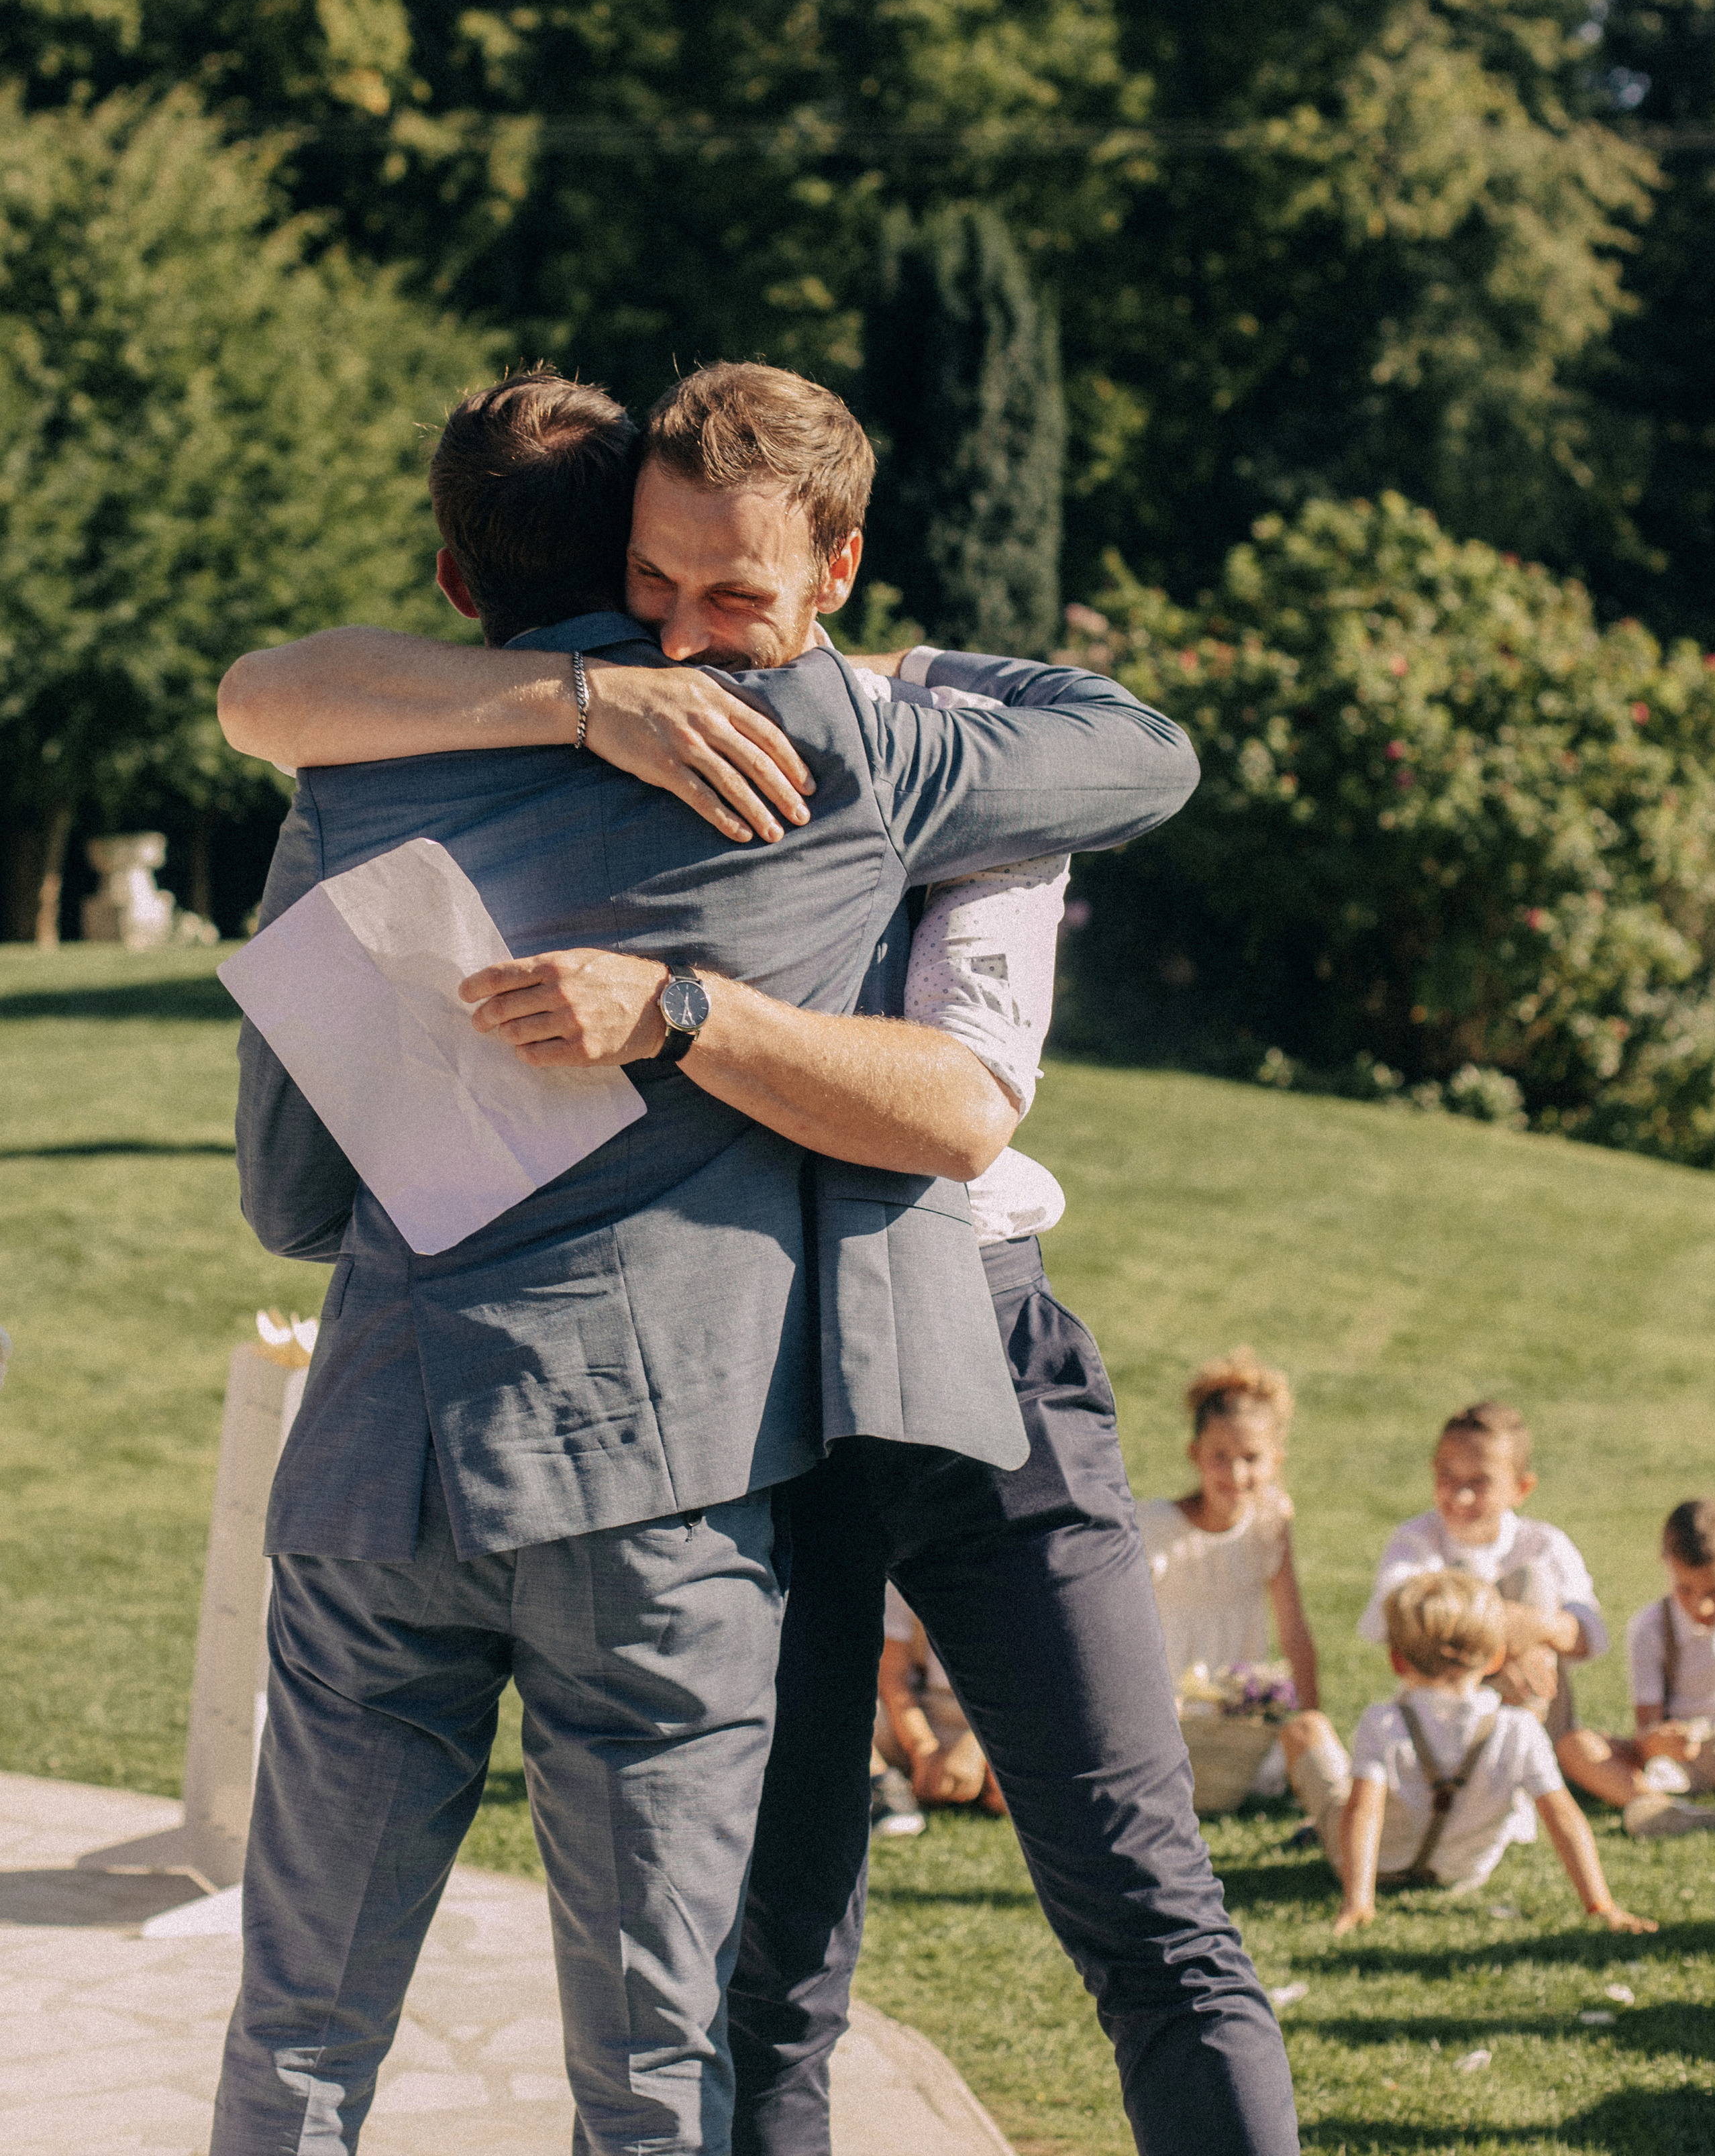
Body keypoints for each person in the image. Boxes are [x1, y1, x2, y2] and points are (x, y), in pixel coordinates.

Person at [223, 369, 1302, 2156]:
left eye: (731, 595)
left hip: (427, 1461)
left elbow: (286, 1190)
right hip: (672, 1474)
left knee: (305, 2038)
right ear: (621, 558)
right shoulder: (832, 759)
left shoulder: (357, 770)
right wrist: (746, 697)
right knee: (677, 2056)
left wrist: (639, 974)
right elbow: (1147, 756)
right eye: (665, 593)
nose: (695, 638)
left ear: (448, 568)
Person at [1300, 1574, 1654, 1937]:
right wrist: (1601, 1906)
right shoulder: (1520, 1729)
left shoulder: (1383, 1722)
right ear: (1496, 1658)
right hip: (1461, 1872)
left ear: (1396, 1660)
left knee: (1306, 1729)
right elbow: (1563, 1817)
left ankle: (1313, 1829)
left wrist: (1358, 1901)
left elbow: (1363, 1810)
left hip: (1371, 1866)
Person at [1358, 1401, 1606, 1739]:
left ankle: (1529, 1751)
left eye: (1480, 1481)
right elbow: (1401, 1614)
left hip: (1539, 1716)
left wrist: (1536, 1627)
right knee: (1438, 1607)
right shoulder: (1415, 1540)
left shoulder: (1544, 1543)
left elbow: (1589, 1634)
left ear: (1520, 1489)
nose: (1460, 1496)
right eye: (1447, 1475)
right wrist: (1507, 1644)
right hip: (1443, 1724)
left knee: (1534, 1580)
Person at [1137, 1349, 1318, 1801]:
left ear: (1275, 1461)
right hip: (1168, 1699)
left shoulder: (1269, 1523)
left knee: (1258, 1776)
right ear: (1195, 1455)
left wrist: (1310, 1730)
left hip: (1238, 1703)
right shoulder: (1156, 1527)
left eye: (1252, 1458)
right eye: (1220, 1457)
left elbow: (1293, 1630)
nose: (1236, 1473)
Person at [1559, 1498, 1715, 1839]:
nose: (1701, 1605)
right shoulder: (1650, 1627)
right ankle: (1667, 1811)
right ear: (1668, 1566)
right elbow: (1646, 1732)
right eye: (1685, 1589)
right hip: (1680, 1761)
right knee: (1575, 1746)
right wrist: (1661, 1741)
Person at [874, 1580, 1006, 1814]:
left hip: (999, 1716)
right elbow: (893, 1676)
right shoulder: (903, 1576)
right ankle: (882, 1788)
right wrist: (924, 1749)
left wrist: (981, 1745)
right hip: (922, 1710)